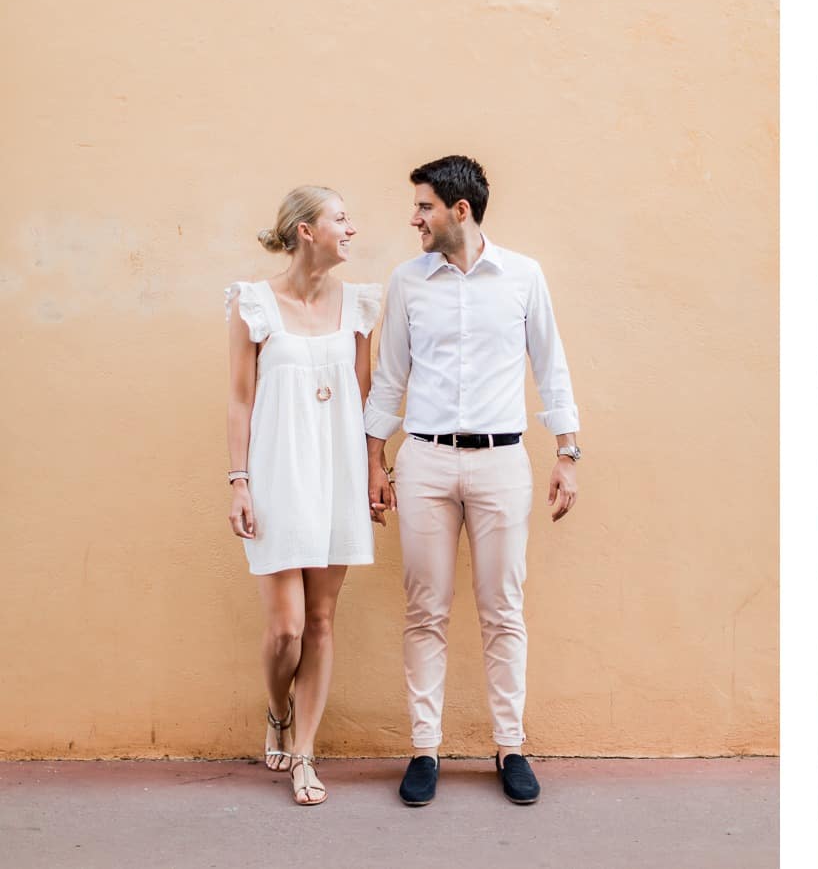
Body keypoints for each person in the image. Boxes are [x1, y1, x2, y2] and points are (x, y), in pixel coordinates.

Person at [363, 155, 581, 808]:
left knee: (503, 610)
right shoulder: (408, 281)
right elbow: (389, 376)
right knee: (424, 610)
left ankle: (510, 746)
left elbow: (552, 364)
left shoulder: (523, 276)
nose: (414, 218)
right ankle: (424, 749)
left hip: (501, 462)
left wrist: (568, 452)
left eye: (424, 206)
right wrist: (375, 459)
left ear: (460, 210)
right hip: (425, 461)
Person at [225, 186, 383, 806]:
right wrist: (237, 481)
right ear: (304, 230)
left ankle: (305, 755)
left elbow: (367, 400)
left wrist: (378, 472)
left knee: (321, 619)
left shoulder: (361, 305)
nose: (352, 228)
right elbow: (240, 399)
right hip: (276, 473)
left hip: (338, 473)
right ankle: (276, 708)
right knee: (286, 628)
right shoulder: (253, 304)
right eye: (341, 218)